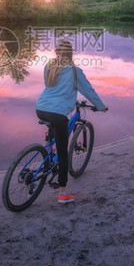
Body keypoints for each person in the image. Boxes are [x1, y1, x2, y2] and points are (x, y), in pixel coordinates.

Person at [36, 39, 107, 204]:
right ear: (70, 53)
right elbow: (88, 90)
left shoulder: (49, 66)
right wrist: (101, 106)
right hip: (57, 112)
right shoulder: (75, 71)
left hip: (40, 108)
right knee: (63, 154)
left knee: (55, 128)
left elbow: (49, 85)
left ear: (56, 52)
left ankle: (49, 143)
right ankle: (62, 194)